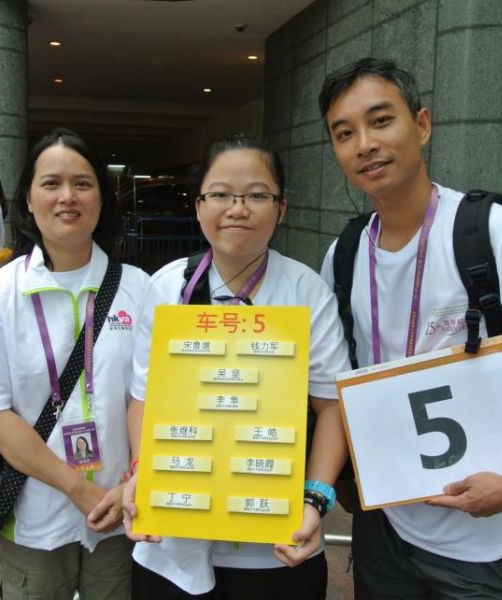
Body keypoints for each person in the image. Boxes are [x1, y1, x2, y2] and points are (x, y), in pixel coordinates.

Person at [317, 57, 502, 599]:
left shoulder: (495, 233)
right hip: (386, 525)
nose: (365, 145)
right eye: (344, 133)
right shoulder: (345, 254)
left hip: (488, 538)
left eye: (381, 121)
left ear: (422, 124)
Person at [113, 134, 351, 599]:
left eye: (256, 195)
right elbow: (144, 398)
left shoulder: (306, 290)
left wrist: (315, 499)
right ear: (199, 206)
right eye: (221, 194)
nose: (237, 209)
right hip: (173, 537)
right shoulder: (168, 287)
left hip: (276, 544)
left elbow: (331, 407)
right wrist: (143, 471)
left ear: (281, 208)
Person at [0, 128, 156, 599]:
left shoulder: (139, 288)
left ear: (102, 199)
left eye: (83, 183)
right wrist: (78, 489)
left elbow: (146, 395)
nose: (68, 196)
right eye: (51, 183)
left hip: (121, 507)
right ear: (28, 198)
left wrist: (138, 476)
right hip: (35, 515)